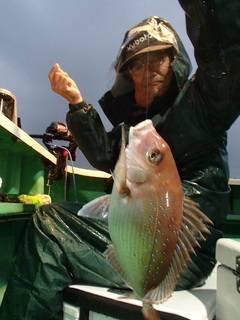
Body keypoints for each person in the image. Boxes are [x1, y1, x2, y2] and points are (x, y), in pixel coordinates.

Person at [1, 1, 240, 319]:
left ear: (176, 63)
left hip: (180, 254)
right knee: (52, 213)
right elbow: (105, 153)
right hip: (145, 240)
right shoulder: (138, 129)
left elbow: (228, 50)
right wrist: (76, 103)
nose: (148, 69)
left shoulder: (202, 105)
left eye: (159, 58)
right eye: (137, 63)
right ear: (127, 74)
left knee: (49, 228)